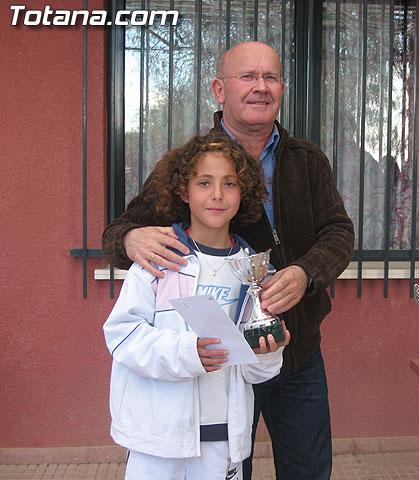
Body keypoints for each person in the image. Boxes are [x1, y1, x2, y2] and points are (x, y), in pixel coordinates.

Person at [102, 41, 355, 479]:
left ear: (282, 87)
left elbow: (339, 232)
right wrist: (131, 239)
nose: (261, 87)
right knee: (230, 464)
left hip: (293, 351)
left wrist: (306, 272)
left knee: (309, 470)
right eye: (248, 77)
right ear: (220, 89)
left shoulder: (307, 161)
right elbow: (118, 234)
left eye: (270, 78)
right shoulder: (191, 163)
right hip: (216, 362)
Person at [104, 133, 291, 479]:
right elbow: (122, 336)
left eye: (230, 183)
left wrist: (267, 351)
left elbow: (252, 371)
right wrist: (189, 353)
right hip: (159, 436)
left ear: (243, 192)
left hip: (223, 436)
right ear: (183, 191)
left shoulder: (253, 269)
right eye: (204, 182)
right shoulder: (158, 256)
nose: (217, 194)